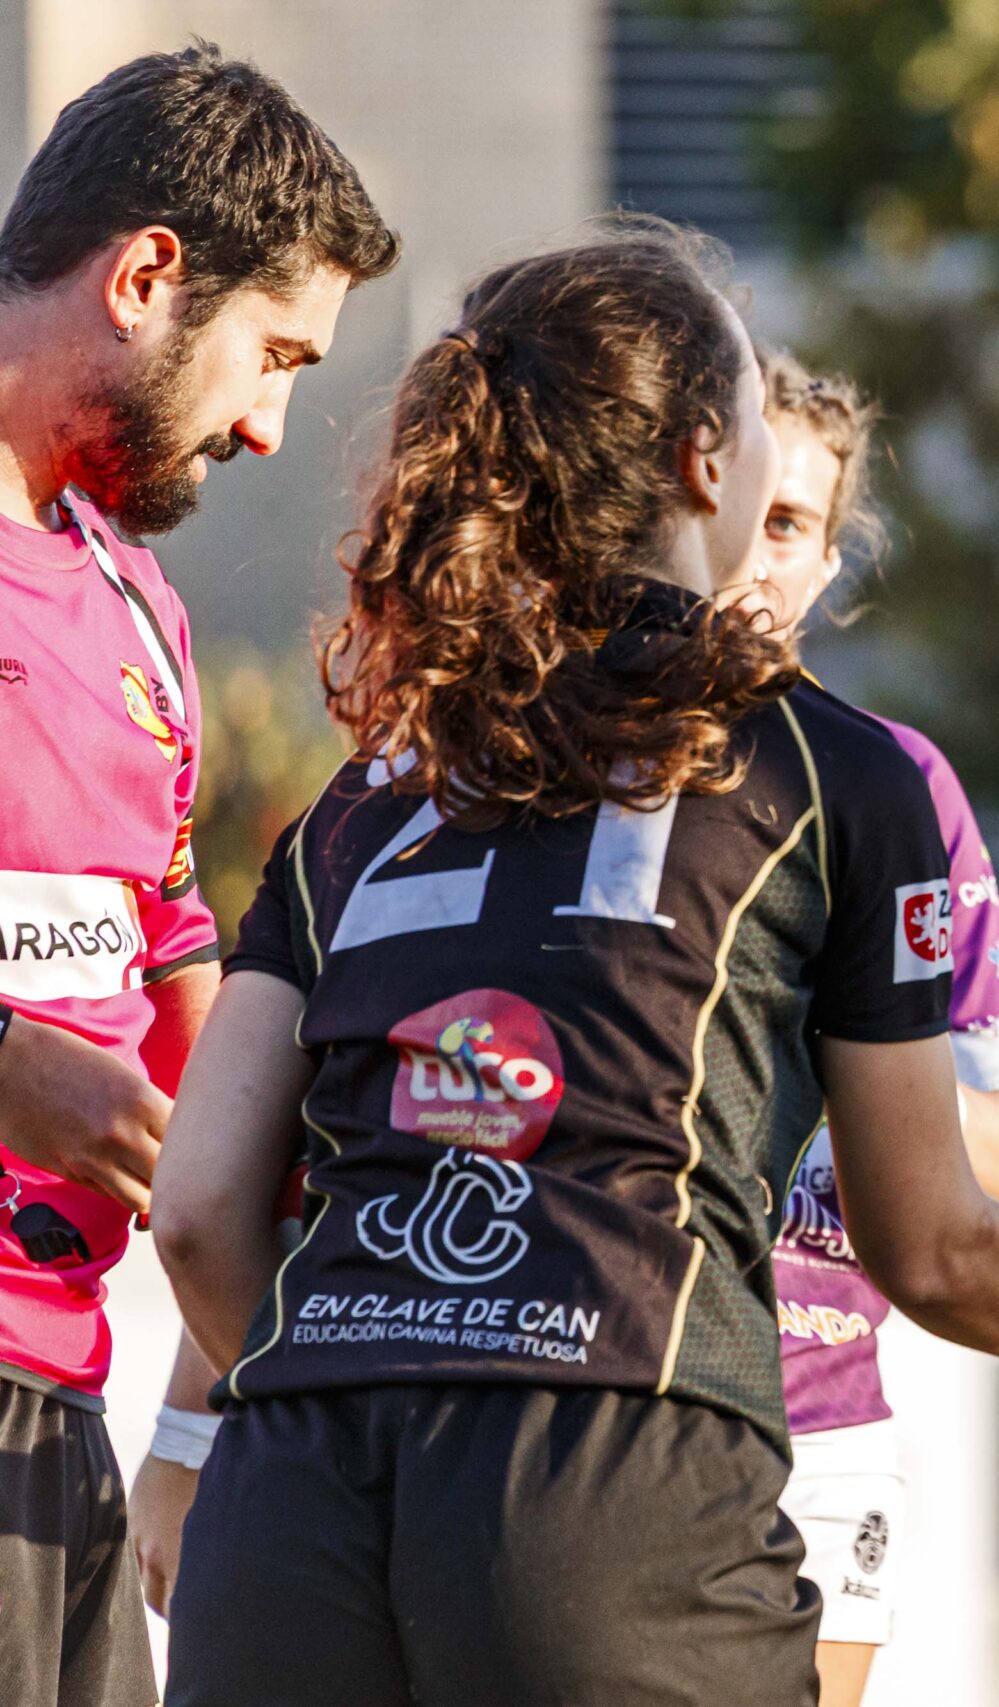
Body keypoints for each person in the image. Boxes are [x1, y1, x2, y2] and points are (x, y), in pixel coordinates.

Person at [147, 224, 999, 1707]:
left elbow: (195, 1209)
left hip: (293, 1497)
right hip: (611, 1473)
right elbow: (934, 1238)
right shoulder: (838, 771)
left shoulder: (367, 793)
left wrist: (365, 1370)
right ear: (710, 461)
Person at [0, 44, 396, 1707]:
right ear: (149, 274)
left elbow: (163, 951)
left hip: (55, 1406)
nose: (268, 422)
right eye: (273, 354)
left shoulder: (137, 611)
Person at [735, 350, 999, 1707]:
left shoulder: (892, 786)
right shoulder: (549, 758)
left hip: (825, 1422)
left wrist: (848, 1044)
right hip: (606, 1405)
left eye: (792, 529)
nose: (756, 562)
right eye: (740, 508)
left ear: (830, 562)